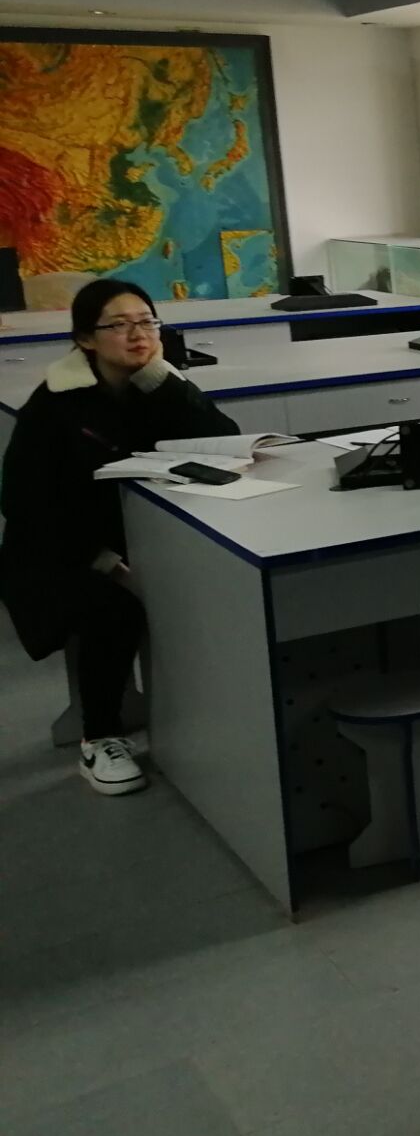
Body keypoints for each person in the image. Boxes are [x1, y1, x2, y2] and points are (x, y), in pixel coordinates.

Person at [0, 278, 238, 795]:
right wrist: (105, 561)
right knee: (114, 608)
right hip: (60, 553)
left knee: (215, 577)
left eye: (148, 322)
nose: (139, 335)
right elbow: (28, 506)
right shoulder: (54, 405)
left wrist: (164, 379)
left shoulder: (156, 385)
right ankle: (100, 736)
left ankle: (205, 720)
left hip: (144, 536)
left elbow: (223, 441)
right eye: (120, 325)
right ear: (86, 339)